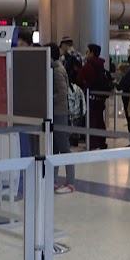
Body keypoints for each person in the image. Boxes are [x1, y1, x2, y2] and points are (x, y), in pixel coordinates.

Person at [48, 43, 76, 194]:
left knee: (64, 147)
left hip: (59, 113)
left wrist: (48, 99)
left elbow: (62, 93)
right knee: (54, 147)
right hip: (55, 113)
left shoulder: (57, 70)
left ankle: (70, 182)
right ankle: (53, 180)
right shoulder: (54, 68)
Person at [76, 43, 110, 150]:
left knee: (92, 121)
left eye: (87, 51)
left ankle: (92, 143)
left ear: (91, 53)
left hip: (91, 97)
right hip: (100, 97)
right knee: (99, 120)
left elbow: (79, 80)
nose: (85, 53)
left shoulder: (88, 66)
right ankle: (101, 142)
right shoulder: (101, 65)